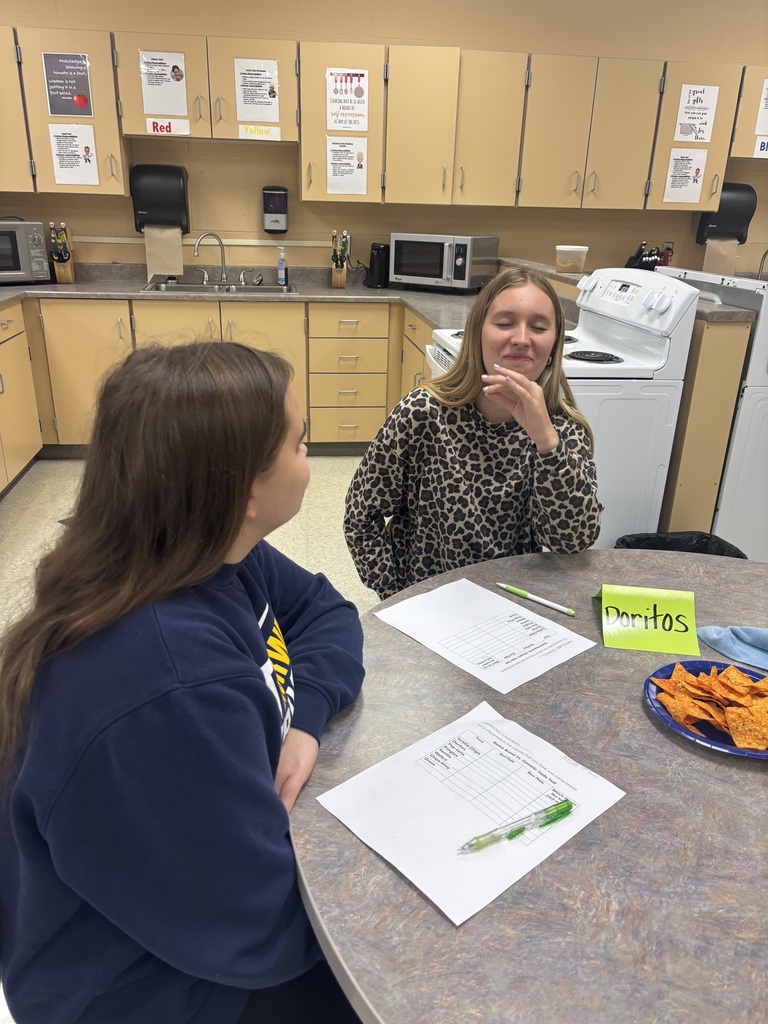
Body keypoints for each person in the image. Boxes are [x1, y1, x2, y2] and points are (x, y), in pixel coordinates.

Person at [0, 342, 365, 1024]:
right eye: (299, 443)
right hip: (152, 992)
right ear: (245, 489)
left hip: (203, 913)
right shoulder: (165, 682)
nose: (309, 463)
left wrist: (306, 717)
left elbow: (327, 612)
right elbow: (265, 928)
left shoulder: (208, 549)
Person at [344, 267, 602, 599]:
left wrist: (547, 443)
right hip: (426, 604)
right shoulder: (423, 414)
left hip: (514, 604)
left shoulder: (564, 430)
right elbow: (361, 517)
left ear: (554, 343)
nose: (521, 338)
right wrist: (395, 596)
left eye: (538, 327)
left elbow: (573, 542)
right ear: (477, 332)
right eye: (505, 323)